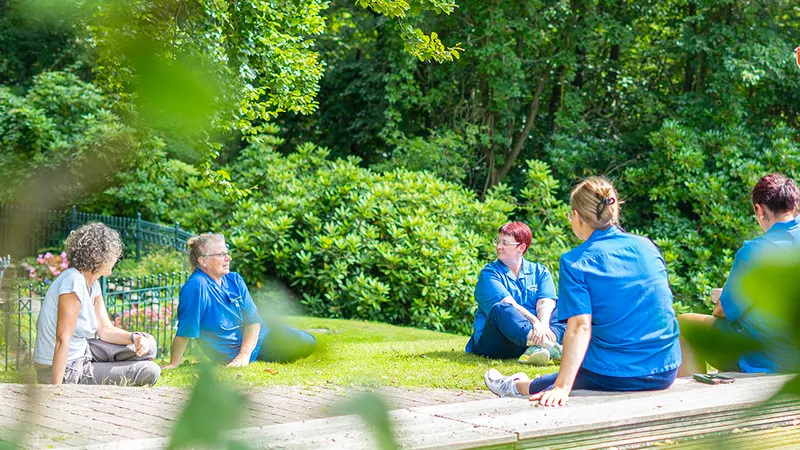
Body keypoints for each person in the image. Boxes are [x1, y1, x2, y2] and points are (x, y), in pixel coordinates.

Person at [484, 176, 681, 406]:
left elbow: (580, 326)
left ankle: (513, 386)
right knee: (579, 373)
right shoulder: (647, 246)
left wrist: (561, 387)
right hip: (666, 369)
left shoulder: (575, 261)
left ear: (576, 216)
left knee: (567, 379)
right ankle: (519, 383)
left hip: (618, 373)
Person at [678, 173, 800, 375]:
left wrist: (726, 299)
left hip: (771, 359)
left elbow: (722, 311)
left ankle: (695, 394)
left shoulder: (755, 252)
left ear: (759, 210)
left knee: (683, 323)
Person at [162, 233, 317, 369]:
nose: (228, 258)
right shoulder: (197, 286)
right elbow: (185, 331)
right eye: (221, 255)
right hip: (237, 349)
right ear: (203, 261)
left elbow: (253, 321)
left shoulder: (234, 279)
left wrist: (244, 354)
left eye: (227, 253)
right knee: (304, 342)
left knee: (308, 340)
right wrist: (173, 364)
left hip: (257, 335)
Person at [33, 223, 160, 385]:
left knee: (148, 344)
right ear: (100, 258)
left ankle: (107, 364)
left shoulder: (92, 284)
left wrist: (134, 337)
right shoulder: (73, 281)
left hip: (85, 352)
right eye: (113, 252)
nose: (117, 256)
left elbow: (105, 330)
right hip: (65, 368)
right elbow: (62, 339)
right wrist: (56, 389)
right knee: (149, 371)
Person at [465, 221, 567, 365]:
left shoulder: (540, 271)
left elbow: (545, 302)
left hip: (527, 339)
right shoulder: (489, 273)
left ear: (521, 247)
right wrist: (535, 322)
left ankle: (537, 347)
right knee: (501, 309)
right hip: (498, 343)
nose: (498, 246)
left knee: (566, 305)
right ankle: (551, 347)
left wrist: (543, 326)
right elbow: (508, 303)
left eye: (505, 243)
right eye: (498, 241)